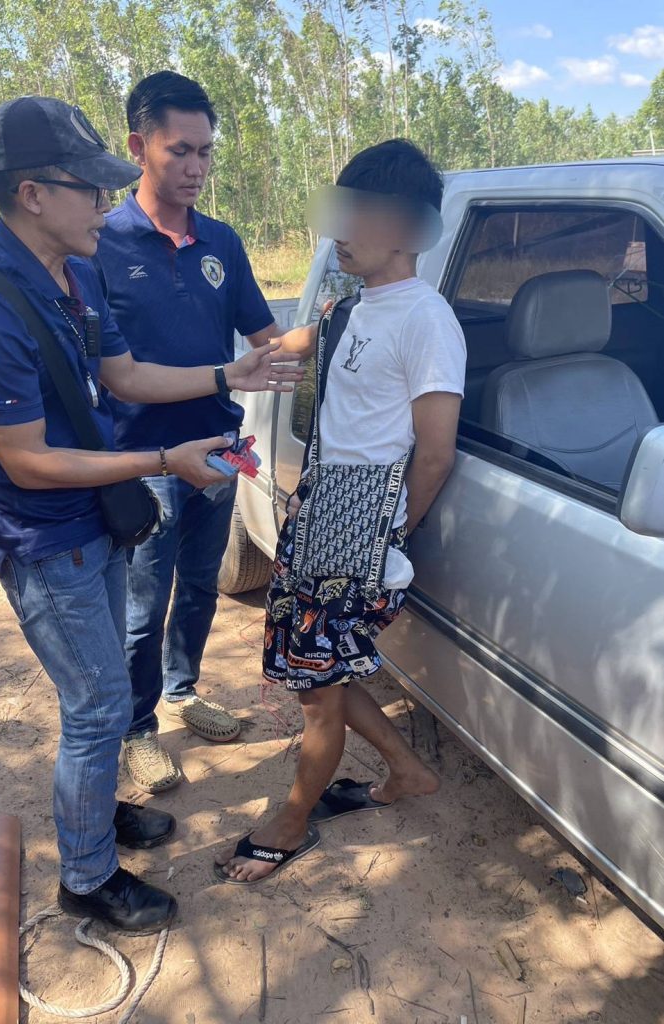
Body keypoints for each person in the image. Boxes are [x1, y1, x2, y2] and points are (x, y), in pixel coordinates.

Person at [0, 95, 302, 930]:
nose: (106, 204)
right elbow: (26, 460)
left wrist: (228, 376)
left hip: (95, 519)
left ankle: (97, 812)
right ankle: (87, 876)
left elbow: (127, 376)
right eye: (89, 190)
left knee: (105, 695)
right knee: (98, 706)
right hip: (43, 540)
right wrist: (162, 462)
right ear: (32, 194)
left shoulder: (74, 277)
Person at [215, 139, 467, 885]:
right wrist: (211, 377)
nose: (339, 231)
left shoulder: (426, 320)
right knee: (312, 670)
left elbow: (434, 454)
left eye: (358, 215)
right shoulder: (352, 308)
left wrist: (386, 537)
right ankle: (406, 770)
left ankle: (290, 824)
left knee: (316, 692)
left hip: (360, 527)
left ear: (408, 228)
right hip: (320, 511)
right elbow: (291, 348)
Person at [96, 71, 314, 792]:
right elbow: (113, 376)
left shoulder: (221, 241)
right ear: (139, 148)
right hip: (147, 460)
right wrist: (228, 375)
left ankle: (182, 691)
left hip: (221, 451)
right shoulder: (101, 246)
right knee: (141, 603)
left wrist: (352, 325)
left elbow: (266, 340)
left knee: (198, 586)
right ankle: (137, 728)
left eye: (206, 152)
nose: (196, 167)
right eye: (180, 151)